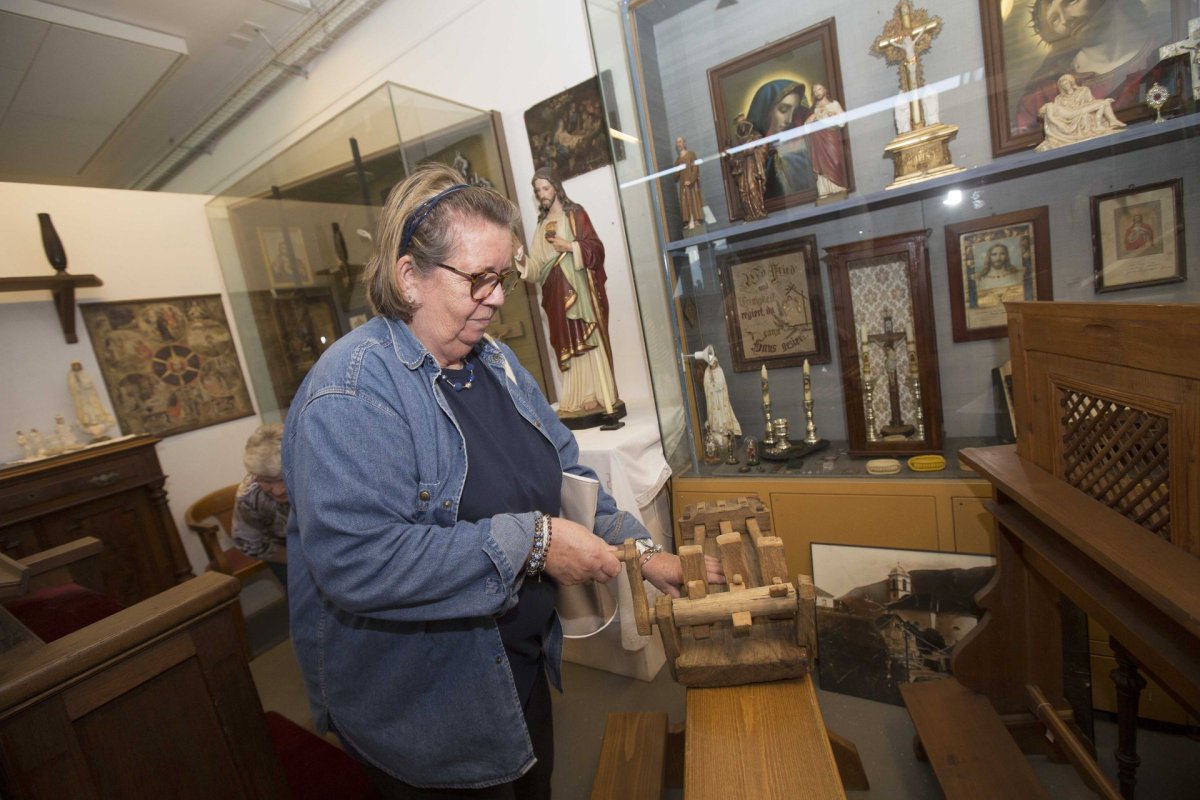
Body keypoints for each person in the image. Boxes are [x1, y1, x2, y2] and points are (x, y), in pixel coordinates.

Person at [282, 163, 722, 798]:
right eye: (477, 278)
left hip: (514, 669)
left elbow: (569, 478)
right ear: (408, 277)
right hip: (430, 707)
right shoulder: (351, 391)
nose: (496, 297)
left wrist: (648, 555)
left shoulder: (496, 361)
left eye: (503, 277)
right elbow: (359, 562)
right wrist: (534, 543)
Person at [521, 166, 620, 420]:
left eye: (545, 188)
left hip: (579, 290)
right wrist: (520, 258)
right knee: (568, 343)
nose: (542, 194)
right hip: (555, 294)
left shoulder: (575, 214)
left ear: (556, 187)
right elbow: (536, 269)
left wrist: (570, 246)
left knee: (586, 336)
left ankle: (597, 392)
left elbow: (596, 249)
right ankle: (579, 394)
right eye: (537, 191)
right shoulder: (541, 226)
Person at [1016, 0, 1159, 134]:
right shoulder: (1043, 96)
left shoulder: (1163, 47)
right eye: (1055, 20)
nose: (1065, 20)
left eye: (1071, 1)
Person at [233, 423, 290, 587]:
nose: (278, 491)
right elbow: (249, 544)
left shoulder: (318, 475)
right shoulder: (248, 496)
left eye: (282, 479)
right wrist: (296, 559)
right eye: (266, 481)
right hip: (283, 551)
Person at [746, 79, 814, 200]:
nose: (789, 120)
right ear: (766, 110)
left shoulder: (799, 150)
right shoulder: (752, 149)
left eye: (795, 112)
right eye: (783, 110)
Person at [1035, 73, 1126, 151]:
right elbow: (1056, 114)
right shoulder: (1058, 99)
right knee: (1103, 103)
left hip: (1082, 109)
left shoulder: (1083, 90)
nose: (1065, 85)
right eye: (1063, 84)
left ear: (1071, 83)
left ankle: (1111, 121)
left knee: (1103, 103)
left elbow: (1091, 101)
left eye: (1066, 83)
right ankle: (1100, 126)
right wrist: (1061, 123)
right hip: (1072, 114)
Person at [807, 84, 849, 200]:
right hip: (818, 141)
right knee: (821, 164)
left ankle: (838, 187)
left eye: (819, 89)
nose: (817, 92)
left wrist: (833, 116)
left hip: (831, 138)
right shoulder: (813, 109)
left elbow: (842, 120)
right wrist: (811, 120)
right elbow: (806, 127)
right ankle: (824, 191)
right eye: (815, 91)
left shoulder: (834, 104)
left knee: (835, 161)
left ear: (825, 90)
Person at [728, 112, 768, 221]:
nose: (742, 127)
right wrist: (734, 159)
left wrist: (753, 152)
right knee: (743, 190)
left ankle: (758, 211)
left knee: (752, 186)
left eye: (743, 124)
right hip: (742, 168)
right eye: (739, 125)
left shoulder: (755, 136)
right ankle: (750, 213)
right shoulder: (735, 141)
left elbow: (763, 147)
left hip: (752, 164)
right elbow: (733, 157)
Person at [674, 136, 704, 231]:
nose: (679, 144)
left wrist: (691, 180)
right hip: (683, 185)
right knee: (685, 202)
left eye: (680, 142)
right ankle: (688, 220)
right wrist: (678, 169)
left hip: (692, 185)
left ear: (684, 143)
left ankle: (696, 219)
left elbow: (695, 169)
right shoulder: (678, 160)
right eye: (677, 142)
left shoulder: (691, 154)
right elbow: (675, 175)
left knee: (693, 200)